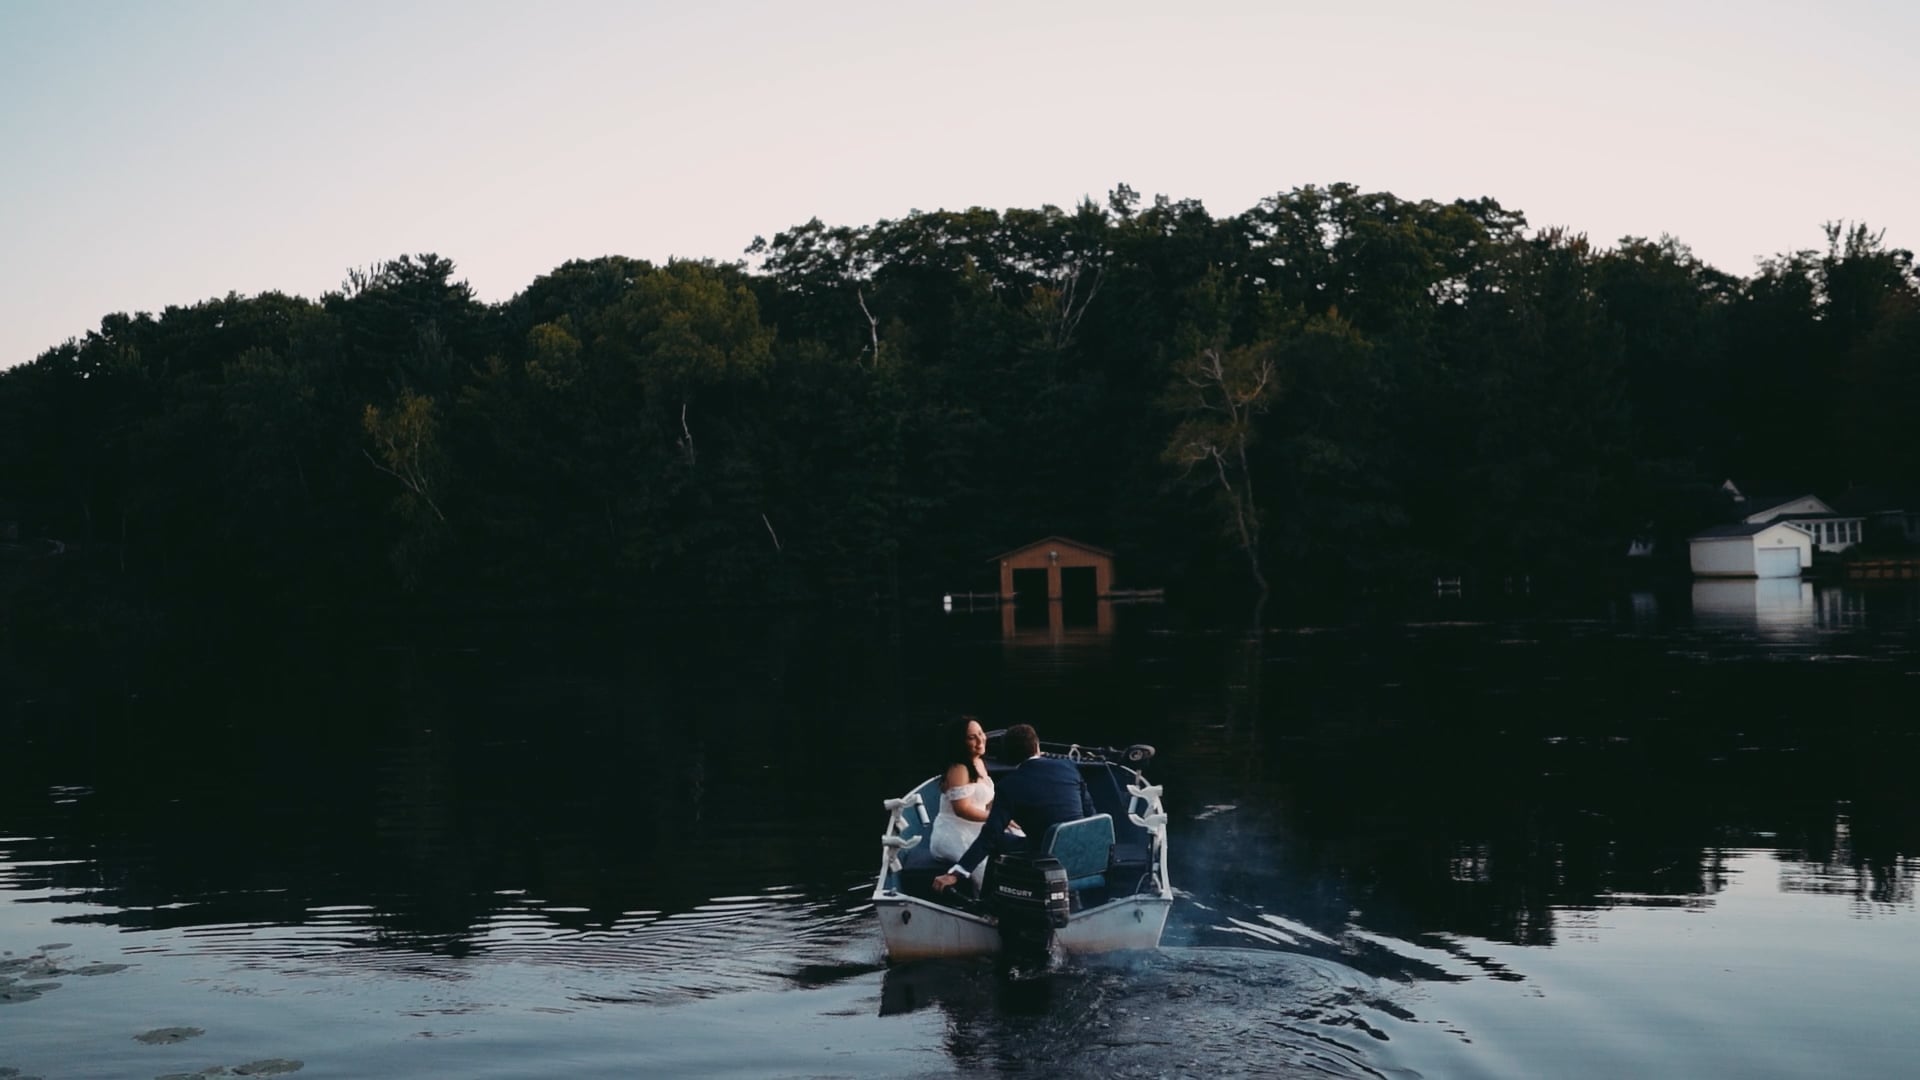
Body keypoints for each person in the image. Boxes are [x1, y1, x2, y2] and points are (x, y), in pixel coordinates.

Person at [932, 723, 1095, 895]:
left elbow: (990, 836)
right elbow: (1090, 812)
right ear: (1037, 745)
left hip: (1046, 855)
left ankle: (992, 902)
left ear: (1008, 756)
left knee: (998, 840)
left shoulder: (1009, 786)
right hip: (1083, 849)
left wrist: (957, 873)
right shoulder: (1069, 767)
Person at [927, 716, 995, 889]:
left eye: (981, 734)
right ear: (961, 742)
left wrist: (1005, 817)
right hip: (954, 833)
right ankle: (986, 907)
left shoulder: (978, 761)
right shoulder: (959, 768)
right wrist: (994, 819)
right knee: (986, 864)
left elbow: (986, 800)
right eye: (972, 737)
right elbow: (962, 809)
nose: (980, 740)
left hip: (977, 826)